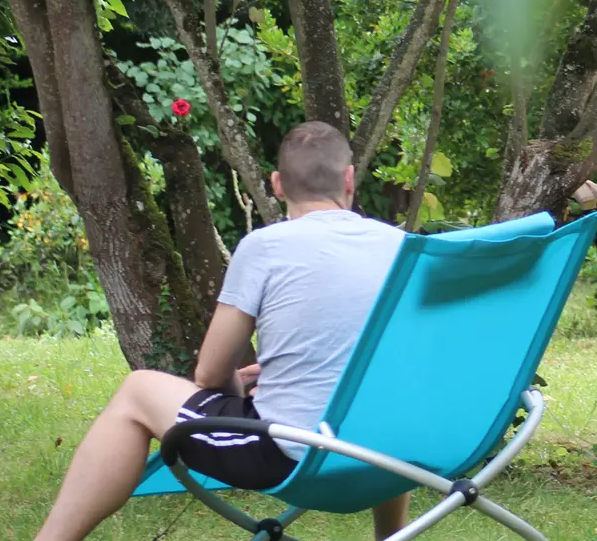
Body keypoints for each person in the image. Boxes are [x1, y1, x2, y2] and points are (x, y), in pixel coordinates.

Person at [34, 121, 411, 541]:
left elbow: (210, 375)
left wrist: (238, 385)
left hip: (293, 457)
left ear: (277, 185)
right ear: (349, 178)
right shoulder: (404, 248)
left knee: (137, 391)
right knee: (382, 399)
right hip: (395, 454)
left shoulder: (265, 247)